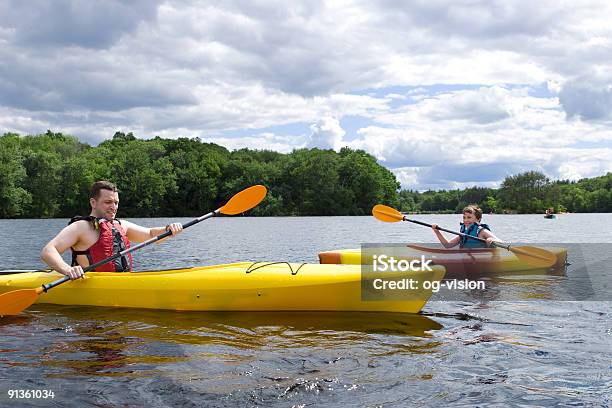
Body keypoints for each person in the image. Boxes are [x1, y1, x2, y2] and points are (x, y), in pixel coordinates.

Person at [41, 181, 183, 280]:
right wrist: (68, 270)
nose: (113, 207)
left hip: (122, 282)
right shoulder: (81, 227)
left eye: (116, 203)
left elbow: (151, 234)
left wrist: (168, 229)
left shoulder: (121, 225)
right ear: (93, 203)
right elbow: (48, 251)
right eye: (108, 202)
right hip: (90, 284)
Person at [431, 204, 502, 249]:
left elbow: (500, 241)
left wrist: (492, 239)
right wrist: (437, 231)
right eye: (464, 217)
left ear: (478, 219)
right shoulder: (464, 233)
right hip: (466, 258)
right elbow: (448, 245)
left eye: (469, 217)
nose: (466, 220)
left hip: (480, 259)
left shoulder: (482, 231)